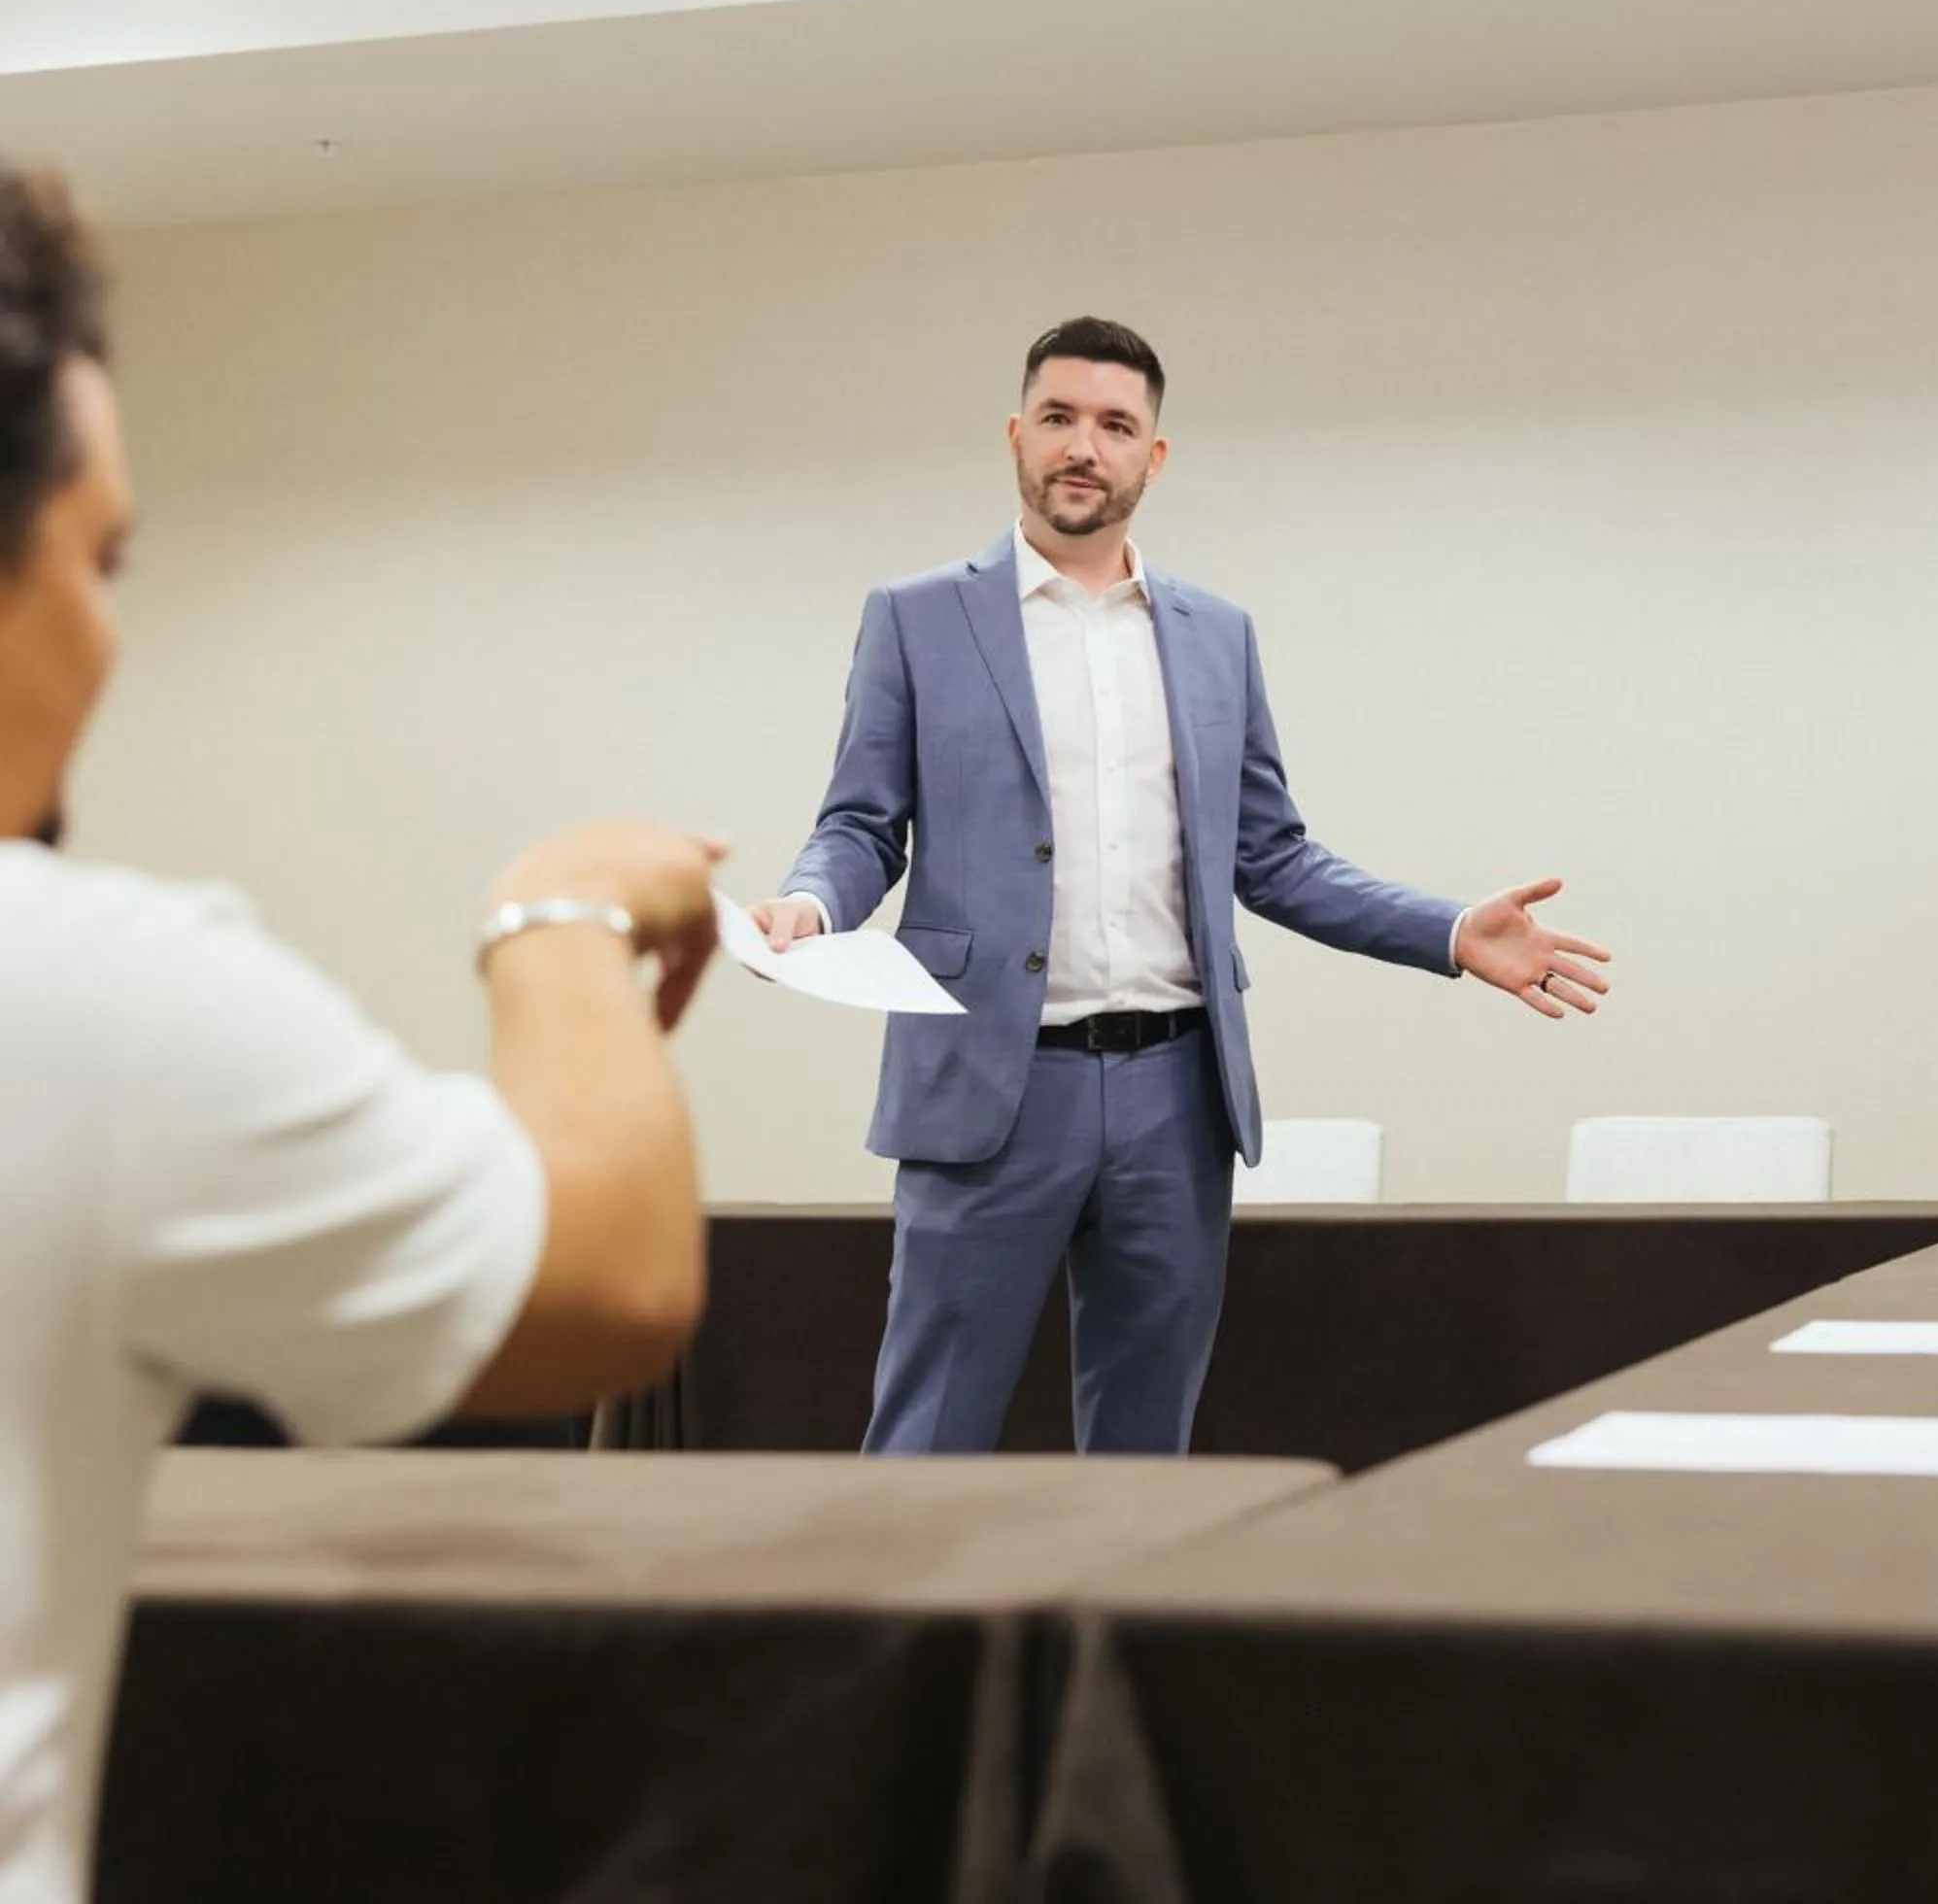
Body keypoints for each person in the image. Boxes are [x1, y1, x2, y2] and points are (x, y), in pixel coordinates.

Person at [1, 165, 723, 1899]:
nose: (114, 632)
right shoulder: (86, 993)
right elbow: (607, 1274)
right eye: (102, 560)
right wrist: (561, 920)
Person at [754, 318, 1613, 1456]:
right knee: (928, 1435)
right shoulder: (917, 617)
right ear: (1016, 435)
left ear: (1152, 457)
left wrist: (1450, 930)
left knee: (1144, 1449)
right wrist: (812, 904)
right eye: (1059, 417)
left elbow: (1274, 855)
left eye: (1115, 425)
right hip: (989, 1090)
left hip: (1174, 1095)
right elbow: (861, 822)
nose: (1083, 445)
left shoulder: (1216, 634)